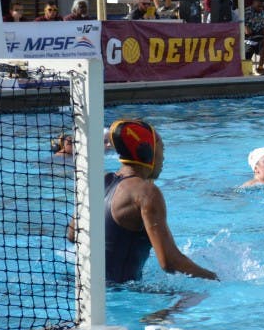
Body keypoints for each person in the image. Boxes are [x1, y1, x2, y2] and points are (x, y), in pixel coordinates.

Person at [88, 119, 217, 283]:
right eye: (161, 149)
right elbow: (169, 262)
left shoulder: (101, 180)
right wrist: (215, 278)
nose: (163, 157)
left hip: (88, 287)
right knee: (195, 296)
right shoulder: (146, 193)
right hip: (121, 293)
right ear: (146, 151)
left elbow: (73, 234)